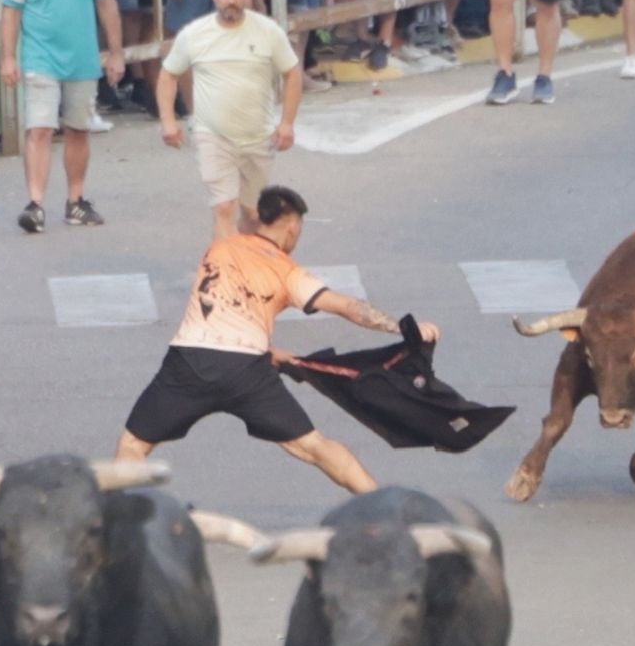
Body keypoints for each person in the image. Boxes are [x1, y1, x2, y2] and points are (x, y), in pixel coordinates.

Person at [114, 185, 436, 494]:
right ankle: (381, 507)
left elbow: (220, 315)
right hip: (246, 373)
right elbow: (348, 307)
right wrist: (405, 329)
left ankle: (118, 523)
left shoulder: (220, 248)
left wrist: (269, 352)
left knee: (133, 446)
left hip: (188, 362)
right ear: (293, 227)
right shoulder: (287, 270)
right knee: (315, 448)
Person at [0, 0, 125, 233]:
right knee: (39, 128)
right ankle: (35, 203)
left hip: (82, 56)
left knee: (78, 129)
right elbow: (11, 10)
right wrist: (9, 57)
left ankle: (75, 200)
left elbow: (107, 4)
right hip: (40, 55)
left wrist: (115, 52)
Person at [157, 0, 302, 239]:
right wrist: (168, 121)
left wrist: (287, 123)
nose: (231, 2)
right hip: (213, 135)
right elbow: (168, 75)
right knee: (224, 207)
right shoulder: (194, 34)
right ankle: (224, 275)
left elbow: (292, 74)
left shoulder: (268, 31)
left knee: (253, 214)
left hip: (257, 136)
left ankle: (246, 267)